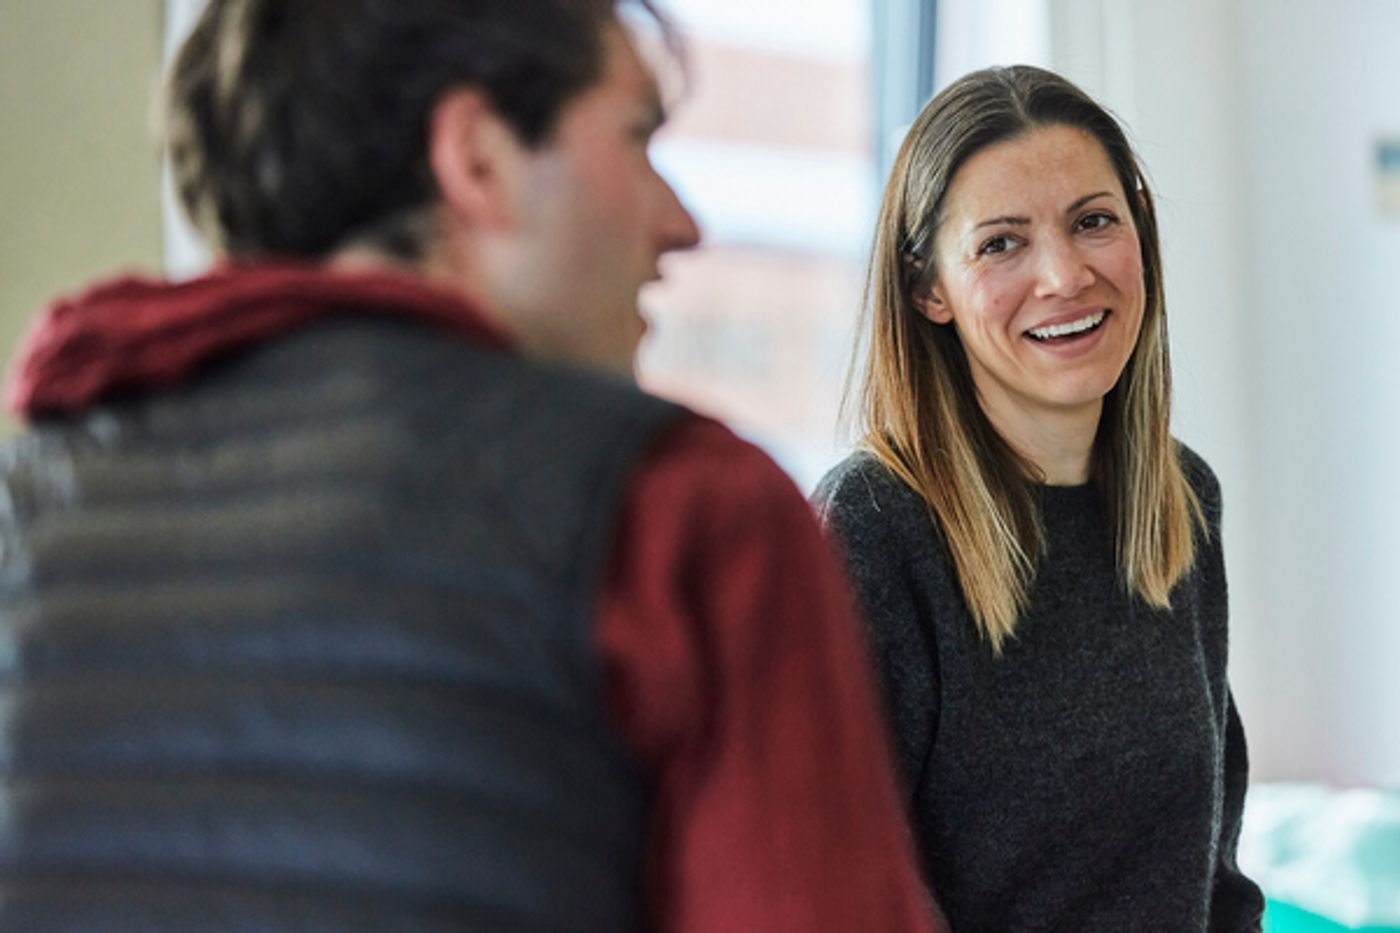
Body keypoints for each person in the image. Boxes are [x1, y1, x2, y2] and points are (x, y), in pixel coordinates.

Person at [0, 2, 944, 931]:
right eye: (635, 141)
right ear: (477, 160)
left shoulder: (24, 510)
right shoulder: (684, 512)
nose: (680, 222)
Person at [814, 65, 1265, 932]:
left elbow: (1215, 878)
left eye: (1093, 222)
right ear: (927, 289)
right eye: (1001, 243)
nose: (1064, 277)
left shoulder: (1181, 500)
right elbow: (848, 889)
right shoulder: (876, 526)